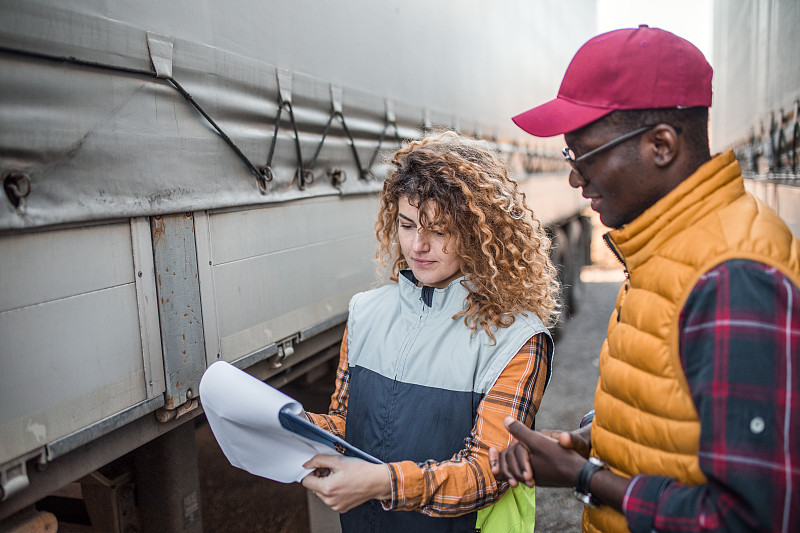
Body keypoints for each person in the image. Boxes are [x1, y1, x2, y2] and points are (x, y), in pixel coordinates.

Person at [489, 25, 800, 533]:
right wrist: (597, 438)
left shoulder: (734, 277)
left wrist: (584, 475)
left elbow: (752, 516)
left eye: (582, 154)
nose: (573, 176)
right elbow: (686, 425)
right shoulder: (667, 250)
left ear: (661, 145)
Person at [299, 130, 560, 532]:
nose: (418, 245)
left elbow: (490, 472)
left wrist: (386, 484)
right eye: (407, 225)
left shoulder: (517, 338)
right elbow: (347, 423)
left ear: (477, 230)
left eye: (439, 230)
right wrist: (290, 424)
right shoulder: (366, 312)